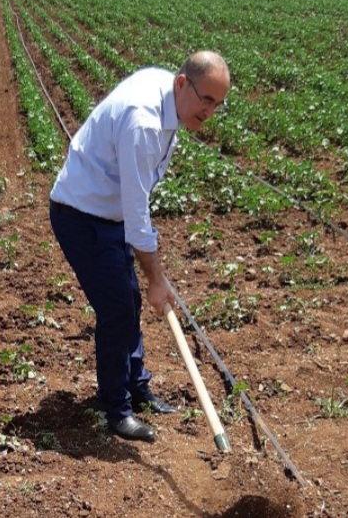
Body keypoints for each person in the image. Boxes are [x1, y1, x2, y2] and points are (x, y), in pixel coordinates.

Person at [49, 52, 230, 443]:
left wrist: (150, 280)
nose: (210, 111)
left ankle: (136, 386)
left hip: (107, 210)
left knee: (128, 300)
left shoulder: (169, 93)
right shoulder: (143, 123)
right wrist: (157, 279)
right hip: (81, 214)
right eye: (206, 99)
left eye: (218, 103)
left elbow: (133, 211)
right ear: (182, 83)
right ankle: (116, 408)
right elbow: (137, 214)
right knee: (117, 308)